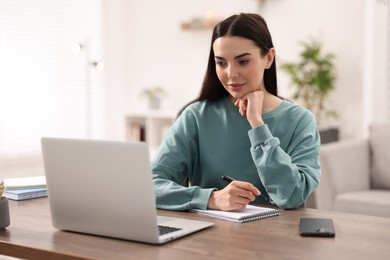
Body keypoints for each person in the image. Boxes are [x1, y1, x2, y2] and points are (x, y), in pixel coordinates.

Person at [152, 13, 320, 211]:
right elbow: (151, 185)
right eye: (221, 63)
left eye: (243, 61)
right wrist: (211, 198)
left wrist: (257, 124)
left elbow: (292, 195)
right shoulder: (196, 116)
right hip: (208, 236)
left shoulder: (300, 120)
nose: (231, 74)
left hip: (277, 237)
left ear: (269, 58)